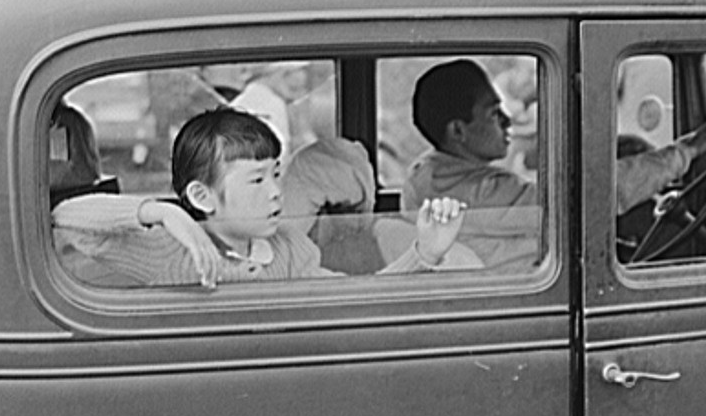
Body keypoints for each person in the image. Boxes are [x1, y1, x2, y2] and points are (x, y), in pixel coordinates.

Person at [54, 107, 466, 288]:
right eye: (255, 181)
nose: (275, 192)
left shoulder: (289, 251)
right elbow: (68, 216)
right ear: (202, 196)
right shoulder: (169, 250)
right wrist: (163, 214)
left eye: (276, 175)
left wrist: (425, 254)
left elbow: (356, 303)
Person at [403, 59, 706, 216]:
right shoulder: (481, 192)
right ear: (458, 130)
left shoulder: (429, 174)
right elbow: (596, 197)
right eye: (493, 112)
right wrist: (690, 148)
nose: (508, 119)